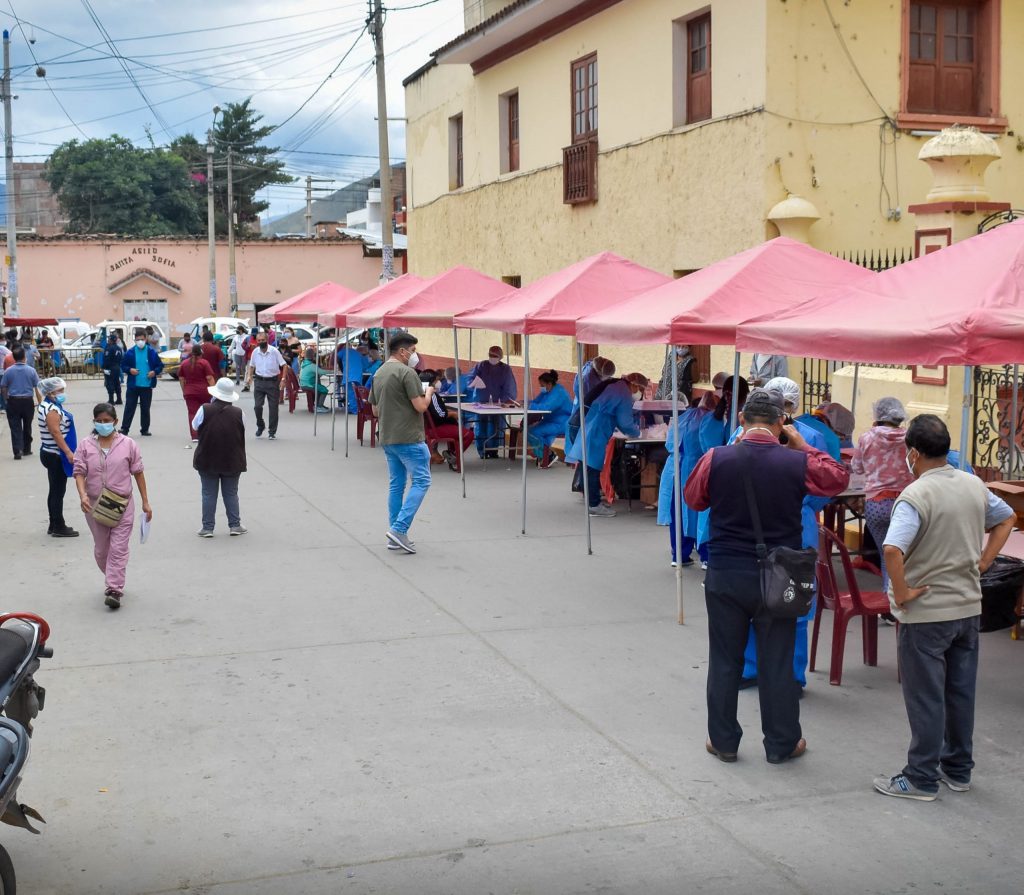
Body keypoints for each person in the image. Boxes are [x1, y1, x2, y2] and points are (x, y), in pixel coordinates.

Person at [684, 389, 848, 764]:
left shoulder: (716, 458)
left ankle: (723, 741)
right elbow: (837, 480)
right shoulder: (796, 462)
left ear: (741, 421)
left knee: (725, 659)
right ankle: (782, 742)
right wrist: (803, 445)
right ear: (781, 424)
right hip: (780, 575)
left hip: (727, 573)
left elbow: (694, 499)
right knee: (777, 660)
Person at [874, 414, 1014, 801]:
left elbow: (891, 548)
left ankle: (920, 777)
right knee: (960, 692)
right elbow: (1006, 519)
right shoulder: (972, 484)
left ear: (913, 453)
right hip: (967, 608)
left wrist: (900, 593)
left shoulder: (916, 495)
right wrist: (983, 562)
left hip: (927, 614)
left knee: (925, 696)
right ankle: (958, 769)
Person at [742, 376, 838, 690]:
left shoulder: (807, 439)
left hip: (791, 526)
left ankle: (789, 674)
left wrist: (797, 502)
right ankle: (755, 668)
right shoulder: (744, 435)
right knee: (756, 597)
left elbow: (824, 485)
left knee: (793, 600)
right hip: (762, 526)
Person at [73, 403, 152, 609]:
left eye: (106, 421)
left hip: (121, 504)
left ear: (115, 422)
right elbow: (79, 471)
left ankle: (114, 589)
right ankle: (112, 575)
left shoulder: (128, 444)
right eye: (98, 421)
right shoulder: (85, 445)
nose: (102, 425)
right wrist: (82, 495)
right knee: (102, 550)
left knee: (118, 548)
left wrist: (145, 501)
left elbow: (138, 472)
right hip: (94, 505)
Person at [368, 333, 433, 554]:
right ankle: (399, 529)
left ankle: (395, 533)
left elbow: (375, 410)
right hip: (409, 437)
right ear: (403, 351)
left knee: (397, 485)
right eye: (413, 350)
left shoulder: (379, 373)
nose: (415, 355)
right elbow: (421, 406)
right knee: (422, 481)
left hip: (388, 437)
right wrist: (430, 392)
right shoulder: (407, 373)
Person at [851, 397, 915, 592]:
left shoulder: (867, 437)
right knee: (905, 554)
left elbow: (857, 467)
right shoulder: (910, 438)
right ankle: (901, 596)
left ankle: (890, 599)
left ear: (878, 415)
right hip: (906, 502)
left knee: (886, 554)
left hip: (877, 503)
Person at [660, 380, 723, 567]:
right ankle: (705, 555)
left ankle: (679, 554)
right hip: (702, 467)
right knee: (703, 511)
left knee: (679, 510)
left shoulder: (684, 417)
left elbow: (669, 444)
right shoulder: (711, 421)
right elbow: (712, 446)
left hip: (679, 467)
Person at [565, 368, 641, 518]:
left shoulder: (615, 385)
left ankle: (593, 502)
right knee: (592, 468)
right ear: (634, 384)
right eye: (639, 388)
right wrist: (637, 432)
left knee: (588, 466)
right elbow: (625, 421)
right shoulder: (623, 392)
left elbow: (616, 414)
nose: (638, 392)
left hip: (590, 425)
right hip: (596, 431)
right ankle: (594, 505)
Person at [193, 378, 248, 538]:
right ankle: (235, 525)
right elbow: (242, 428)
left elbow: (195, 426)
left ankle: (207, 528)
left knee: (208, 493)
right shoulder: (239, 412)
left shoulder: (204, 409)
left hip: (207, 458)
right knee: (231, 493)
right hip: (232, 459)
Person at [37, 377, 79, 538]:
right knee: (57, 491)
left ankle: (53, 523)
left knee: (54, 490)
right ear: (50, 392)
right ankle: (58, 526)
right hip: (55, 454)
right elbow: (56, 433)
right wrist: (68, 452)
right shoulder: (52, 410)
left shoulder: (47, 405)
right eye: (60, 391)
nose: (63, 393)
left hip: (49, 451)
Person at [509, 369, 573, 467]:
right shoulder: (547, 391)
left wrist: (529, 406)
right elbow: (537, 401)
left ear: (549, 384)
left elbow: (546, 407)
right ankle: (545, 455)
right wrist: (525, 402)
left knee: (532, 432)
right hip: (550, 420)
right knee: (532, 431)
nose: (541, 388)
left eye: (542, 385)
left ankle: (548, 455)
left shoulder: (559, 393)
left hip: (561, 422)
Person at [468, 345, 518, 459]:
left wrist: (505, 400)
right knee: (481, 426)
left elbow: (509, 386)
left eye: (495, 356)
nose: (492, 357)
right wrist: (473, 382)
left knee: (496, 426)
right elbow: (470, 377)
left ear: (500, 357)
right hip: (481, 400)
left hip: (498, 402)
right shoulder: (481, 365)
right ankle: (482, 451)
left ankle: (493, 450)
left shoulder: (505, 369)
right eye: (490, 355)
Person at [421, 368, 474, 471]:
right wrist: (452, 414)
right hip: (436, 428)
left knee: (455, 429)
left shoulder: (420, 393)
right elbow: (440, 414)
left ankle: (452, 453)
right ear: (432, 382)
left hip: (427, 427)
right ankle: (453, 454)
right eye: (437, 380)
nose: (439, 383)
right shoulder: (432, 395)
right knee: (468, 435)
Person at [119, 329, 163, 437]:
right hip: (133, 386)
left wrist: (154, 372)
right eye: (138, 340)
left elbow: (160, 365)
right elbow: (123, 365)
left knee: (145, 408)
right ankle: (125, 429)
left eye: (142, 339)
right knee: (129, 407)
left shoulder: (151, 352)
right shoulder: (130, 352)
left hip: (147, 386)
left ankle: (145, 429)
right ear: (135, 340)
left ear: (146, 338)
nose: (140, 342)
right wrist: (130, 370)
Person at [245, 330, 286, 439]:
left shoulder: (274, 351)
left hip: (272, 382)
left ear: (267, 340)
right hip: (259, 381)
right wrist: (249, 376)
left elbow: (284, 365)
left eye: (263, 340)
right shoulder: (255, 352)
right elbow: (252, 366)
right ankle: (260, 425)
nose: (261, 342)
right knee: (257, 406)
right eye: (259, 340)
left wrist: (283, 379)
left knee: (273, 408)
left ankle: (272, 432)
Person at [1, 347, 41, 459]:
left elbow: (3, 387)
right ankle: (27, 449)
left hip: (13, 401)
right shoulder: (31, 370)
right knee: (27, 425)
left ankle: (17, 451)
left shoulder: (8, 371)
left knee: (15, 427)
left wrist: (6, 400)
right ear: (24, 357)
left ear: (14, 357)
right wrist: (40, 402)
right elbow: (37, 387)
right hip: (28, 401)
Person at [178, 344, 217, 442]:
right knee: (206, 412)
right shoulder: (204, 363)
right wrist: (214, 391)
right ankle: (205, 434)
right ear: (201, 354)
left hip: (189, 392)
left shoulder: (184, 363)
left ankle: (195, 435)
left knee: (192, 413)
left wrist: (184, 390)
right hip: (204, 392)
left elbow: (181, 379)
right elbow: (209, 378)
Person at [300, 347, 330, 413]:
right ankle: (319, 407)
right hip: (309, 384)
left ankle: (319, 405)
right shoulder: (311, 365)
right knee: (324, 390)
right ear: (313, 356)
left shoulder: (304, 363)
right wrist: (333, 371)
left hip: (303, 383)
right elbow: (322, 372)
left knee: (320, 388)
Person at [102, 330, 125, 405]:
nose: (108, 340)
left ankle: (111, 400)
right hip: (117, 367)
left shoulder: (109, 348)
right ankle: (119, 399)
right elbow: (121, 358)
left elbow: (106, 359)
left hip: (110, 368)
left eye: (109, 339)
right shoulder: (119, 348)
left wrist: (103, 367)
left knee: (109, 383)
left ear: (111, 340)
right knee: (117, 383)